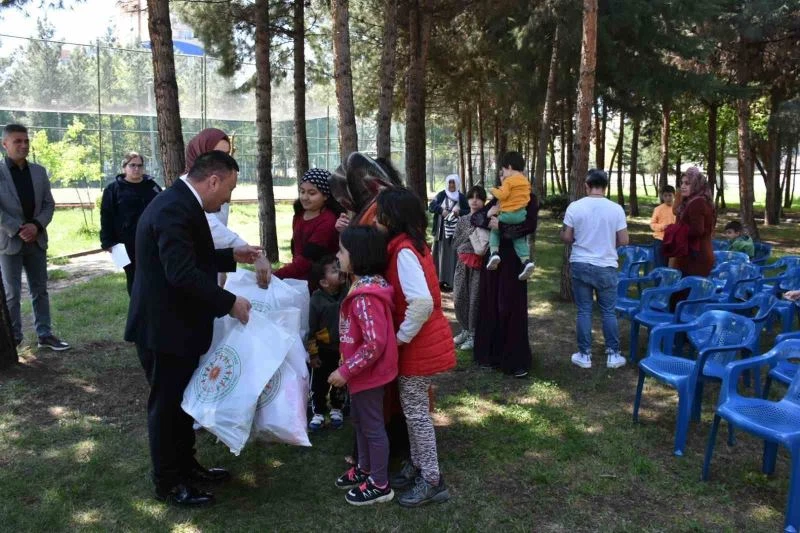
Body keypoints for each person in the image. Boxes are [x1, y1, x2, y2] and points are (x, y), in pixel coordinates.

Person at [125, 151, 262, 507]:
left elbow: (193, 257)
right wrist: (229, 302)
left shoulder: (184, 202)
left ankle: (187, 467)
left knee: (183, 404)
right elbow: (181, 273)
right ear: (212, 180)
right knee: (167, 408)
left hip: (178, 326)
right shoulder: (173, 208)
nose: (229, 197)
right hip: (163, 329)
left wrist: (233, 256)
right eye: (228, 188)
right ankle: (168, 482)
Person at [375, 187, 456, 507]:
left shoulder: (404, 252)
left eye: (381, 214)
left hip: (417, 344)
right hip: (420, 341)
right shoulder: (409, 245)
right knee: (413, 412)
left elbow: (421, 302)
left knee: (417, 415)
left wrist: (400, 338)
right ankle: (420, 466)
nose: (377, 220)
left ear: (392, 218)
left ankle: (433, 480)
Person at [329, 225, 398, 506]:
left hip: (368, 375)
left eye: (342, 251)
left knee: (371, 427)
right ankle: (365, 468)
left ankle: (380, 483)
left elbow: (373, 344)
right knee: (359, 423)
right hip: (360, 374)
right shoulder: (361, 286)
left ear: (357, 256)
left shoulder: (366, 297)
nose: (337, 254)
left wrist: (345, 371)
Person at [0, 124, 69, 351]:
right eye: (17, 141)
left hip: (37, 240)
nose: (23, 145)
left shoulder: (39, 171)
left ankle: (45, 334)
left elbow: (49, 204)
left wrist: (36, 226)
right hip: (10, 242)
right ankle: (14, 338)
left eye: (26, 141)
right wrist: (20, 228)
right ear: (5, 144)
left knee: (40, 290)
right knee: (12, 293)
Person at [183, 128, 271, 288]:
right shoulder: (190, 189)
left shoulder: (218, 183)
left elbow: (218, 230)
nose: (223, 159)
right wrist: (252, 253)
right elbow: (211, 226)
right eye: (217, 154)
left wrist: (223, 267)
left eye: (227, 153)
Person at [560, 169, 629, 370]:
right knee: (608, 311)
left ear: (587, 185)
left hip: (580, 263)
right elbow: (624, 239)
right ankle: (613, 354)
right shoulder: (616, 209)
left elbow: (567, 237)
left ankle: (584, 354)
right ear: (605, 187)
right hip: (606, 265)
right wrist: (607, 244)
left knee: (584, 310)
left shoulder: (575, 207)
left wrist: (568, 235)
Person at [471, 179, 539, 378]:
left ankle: (514, 360)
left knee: (511, 307)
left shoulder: (529, 199)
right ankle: (489, 356)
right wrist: (489, 217)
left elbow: (528, 227)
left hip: (513, 262)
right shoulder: (498, 199)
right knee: (491, 305)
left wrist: (500, 225)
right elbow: (476, 218)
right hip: (494, 261)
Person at [99, 152, 162, 295]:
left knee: (154, 277)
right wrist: (107, 241)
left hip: (153, 241)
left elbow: (163, 210)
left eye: (140, 165)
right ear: (124, 167)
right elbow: (106, 215)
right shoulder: (113, 189)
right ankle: (137, 311)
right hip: (127, 243)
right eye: (132, 165)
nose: (136, 169)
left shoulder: (152, 186)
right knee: (134, 278)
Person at [273, 168, 342, 283]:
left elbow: (307, 260)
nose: (305, 197)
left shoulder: (328, 221)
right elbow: (297, 251)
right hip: (298, 277)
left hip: (320, 283)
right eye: (302, 191)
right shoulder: (300, 214)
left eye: (312, 193)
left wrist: (276, 275)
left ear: (326, 196)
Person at [307, 255, 347, 431]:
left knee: (340, 381)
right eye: (334, 270)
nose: (340, 272)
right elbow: (312, 329)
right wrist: (313, 354)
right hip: (323, 350)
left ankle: (337, 408)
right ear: (324, 282)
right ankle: (318, 412)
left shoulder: (348, 291)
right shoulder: (317, 299)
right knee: (319, 383)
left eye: (339, 267)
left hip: (343, 350)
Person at [486, 152, 535, 281]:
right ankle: (526, 260)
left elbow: (502, 195)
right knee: (519, 240)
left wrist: (493, 190)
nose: (503, 175)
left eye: (503, 170)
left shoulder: (509, 181)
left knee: (495, 231)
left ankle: (494, 253)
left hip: (507, 215)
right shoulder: (525, 182)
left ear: (509, 167)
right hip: (521, 215)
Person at [451, 185, 488, 350]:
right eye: (471, 197)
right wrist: (469, 231)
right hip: (462, 264)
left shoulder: (487, 219)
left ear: (483, 201)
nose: (474, 200)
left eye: (478, 197)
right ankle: (465, 329)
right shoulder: (462, 220)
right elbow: (455, 243)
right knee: (459, 297)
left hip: (478, 266)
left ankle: (473, 334)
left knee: (474, 299)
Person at [670, 166, 716, 277]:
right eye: (682, 183)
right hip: (693, 254)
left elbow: (697, 230)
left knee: (685, 293)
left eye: (687, 183)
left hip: (695, 257)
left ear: (696, 185)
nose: (683, 186)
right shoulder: (697, 200)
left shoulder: (697, 202)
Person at [428, 175, 468, 291]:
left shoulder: (461, 197)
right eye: (449, 183)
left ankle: (452, 281)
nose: (451, 185)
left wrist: (459, 212)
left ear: (457, 184)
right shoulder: (441, 195)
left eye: (453, 183)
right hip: (441, 231)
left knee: (453, 254)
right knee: (439, 254)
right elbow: (431, 206)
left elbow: (468, 211)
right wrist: (441, 210)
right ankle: (438, 280)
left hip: (455, 232)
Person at [649, 185, 676, 268]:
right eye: (665, 196)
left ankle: (671, 280)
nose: (668, 198)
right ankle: (659, 280)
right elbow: (652, 224)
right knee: (660, 264)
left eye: (670, 195)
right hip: (660, 240)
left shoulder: (678, 208)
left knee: (672, 266)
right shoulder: (658, 209)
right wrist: (662, 227)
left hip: (674, 240)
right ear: (662, 197)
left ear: (674, 195)